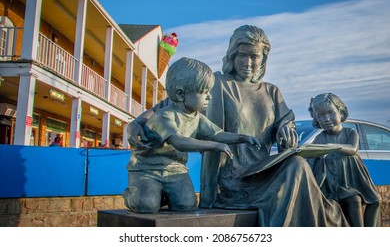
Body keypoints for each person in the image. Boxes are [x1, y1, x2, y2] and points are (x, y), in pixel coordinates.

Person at [127, 25, 349, 226]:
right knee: (297, 168)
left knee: (297, 164)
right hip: (233, 179)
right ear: (232, 54)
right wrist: (136, 123)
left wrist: (286, 130)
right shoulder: (216, 84)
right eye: (243, 55)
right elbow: (168, 106)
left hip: (264, 171)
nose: (249, 62)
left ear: (264, 59)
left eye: (255, 56)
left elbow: (286, 122)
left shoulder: (272, 92)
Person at [123, 57, 260, 213]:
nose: (209, 96)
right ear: (181, 94)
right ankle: (133, 195)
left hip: (176, 171)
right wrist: (215, 146)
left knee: (186, 205)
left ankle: (160, 195)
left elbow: (217, 134)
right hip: (147, 170)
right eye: (204, 92)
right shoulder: (163, 116)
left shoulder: (197, 117)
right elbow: (179, 142)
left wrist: (242, 138)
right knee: (146, 205)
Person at [307, 93, 381, 226]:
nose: (327, 119)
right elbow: (312, 159)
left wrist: (333, 147)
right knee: (349, 201)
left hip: (352, 178)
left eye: (331, 113)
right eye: (321, 116)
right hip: (332, 184)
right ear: (316, 119)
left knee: (367, 200)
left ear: (340, 113)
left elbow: (353, 149)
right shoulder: (319, 139)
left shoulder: (350, 133)